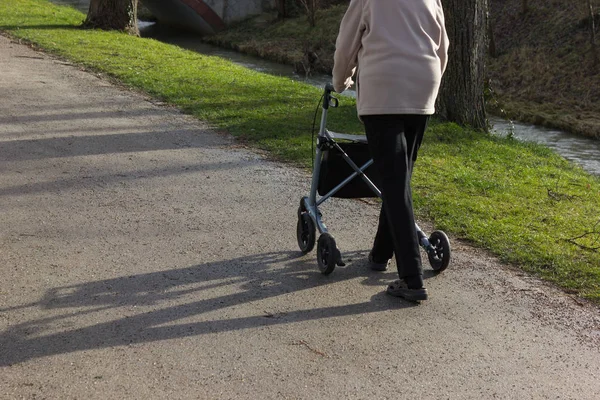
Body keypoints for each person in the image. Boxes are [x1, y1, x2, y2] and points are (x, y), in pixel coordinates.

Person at [332, 0, 449, 301]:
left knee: (395, 182)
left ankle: (411, 278)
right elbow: (442, 46)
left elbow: (347, 45)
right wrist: (430, 85)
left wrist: (340, 82)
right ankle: (379, 254)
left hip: (383, 88)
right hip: (423, 86)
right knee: (399, 177)